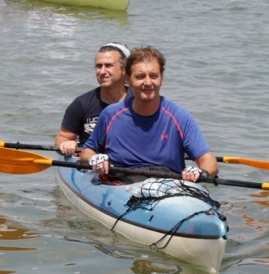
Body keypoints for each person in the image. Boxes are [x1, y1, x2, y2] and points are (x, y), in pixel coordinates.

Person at [81, 46, 219, 184]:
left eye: (153, 76)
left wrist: (202, 172)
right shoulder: (110, 114)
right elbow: (87, 152)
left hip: (168, 184)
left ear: (161, 79)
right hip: (121, 184)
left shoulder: (180, 116)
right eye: (140, 77)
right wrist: (95, 159)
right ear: (128, 80)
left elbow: (209, 161)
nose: (148, 83)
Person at [55, 43, 132, 156]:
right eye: (99, 66)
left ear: (124, 69)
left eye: (108, 65)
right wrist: (66, 144)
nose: (102, 71)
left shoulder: (138, 100)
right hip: (89, 166)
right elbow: (62, 137)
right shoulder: (81, 104)